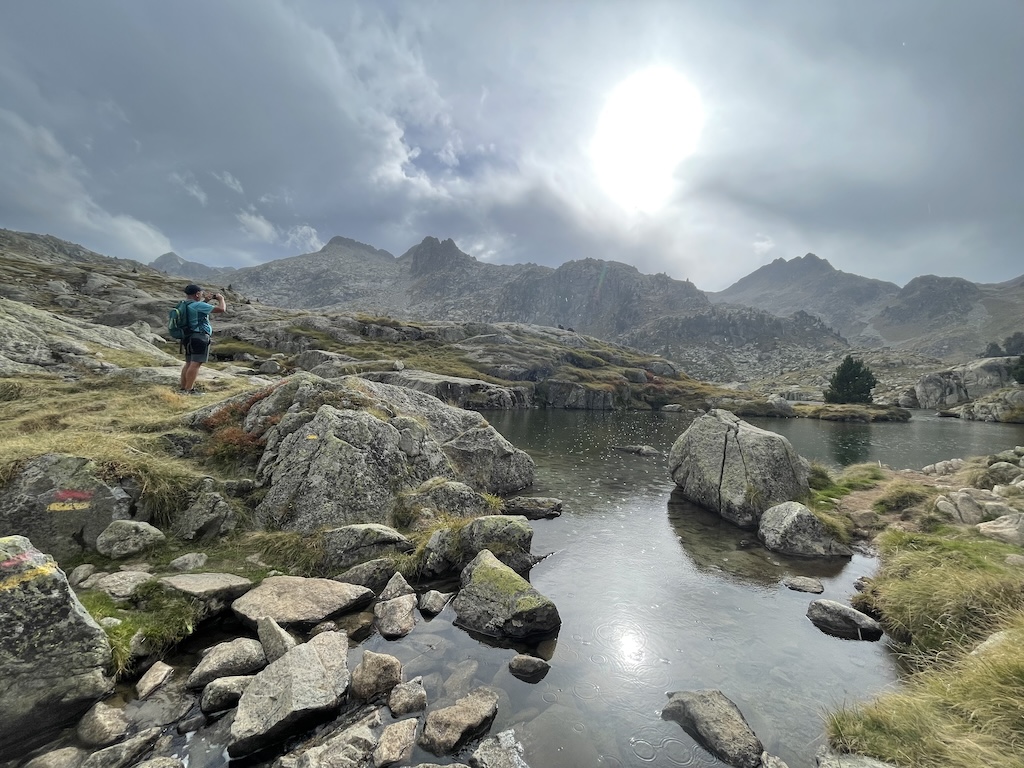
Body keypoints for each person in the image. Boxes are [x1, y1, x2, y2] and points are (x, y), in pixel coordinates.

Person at [178, 283, 226, 395]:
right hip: (199, 336)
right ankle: (189, 390)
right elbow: (221, 309)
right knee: (195, 364)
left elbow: (196, 312)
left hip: (188, 337)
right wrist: (221, 299)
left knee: (189, 362)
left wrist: (205, 301)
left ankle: (183, 388)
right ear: (197, 294)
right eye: (201, 293)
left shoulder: (185, 304)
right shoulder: (197, 305)